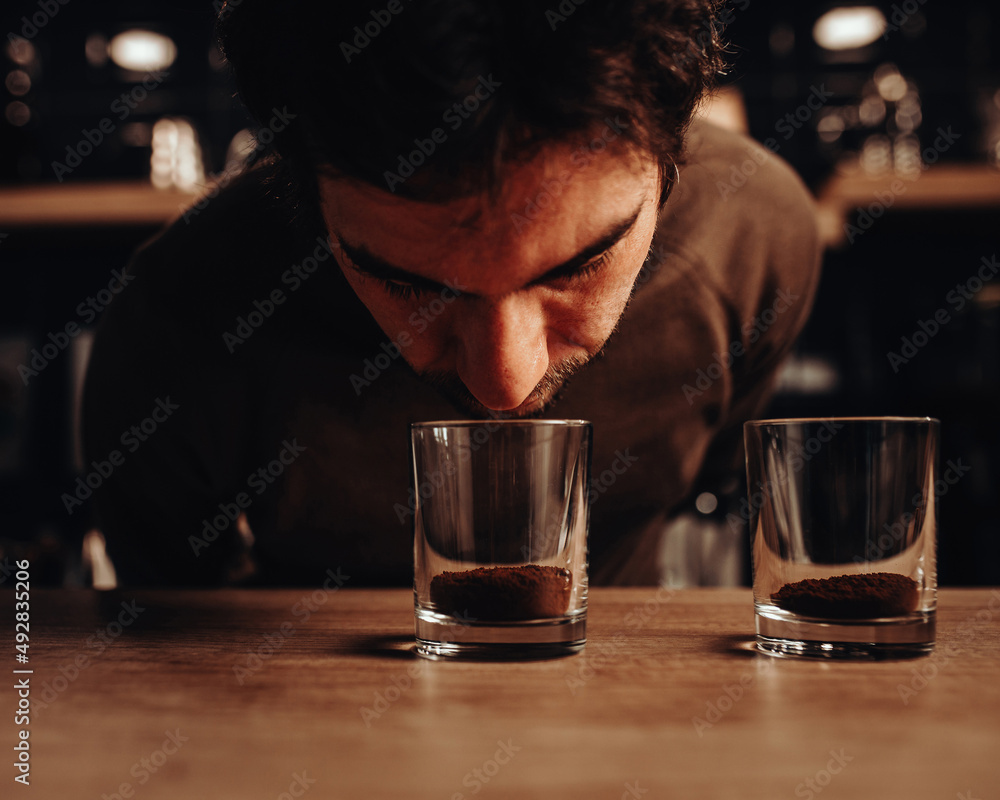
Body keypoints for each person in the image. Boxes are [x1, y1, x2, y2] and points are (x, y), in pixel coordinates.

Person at [82, 0, 821, 587]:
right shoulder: (175, 322)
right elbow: (168, 642)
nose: (505, 383)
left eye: (579, 265)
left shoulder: (755, 241)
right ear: (297, 180)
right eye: (407, 283)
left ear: (671, 155)